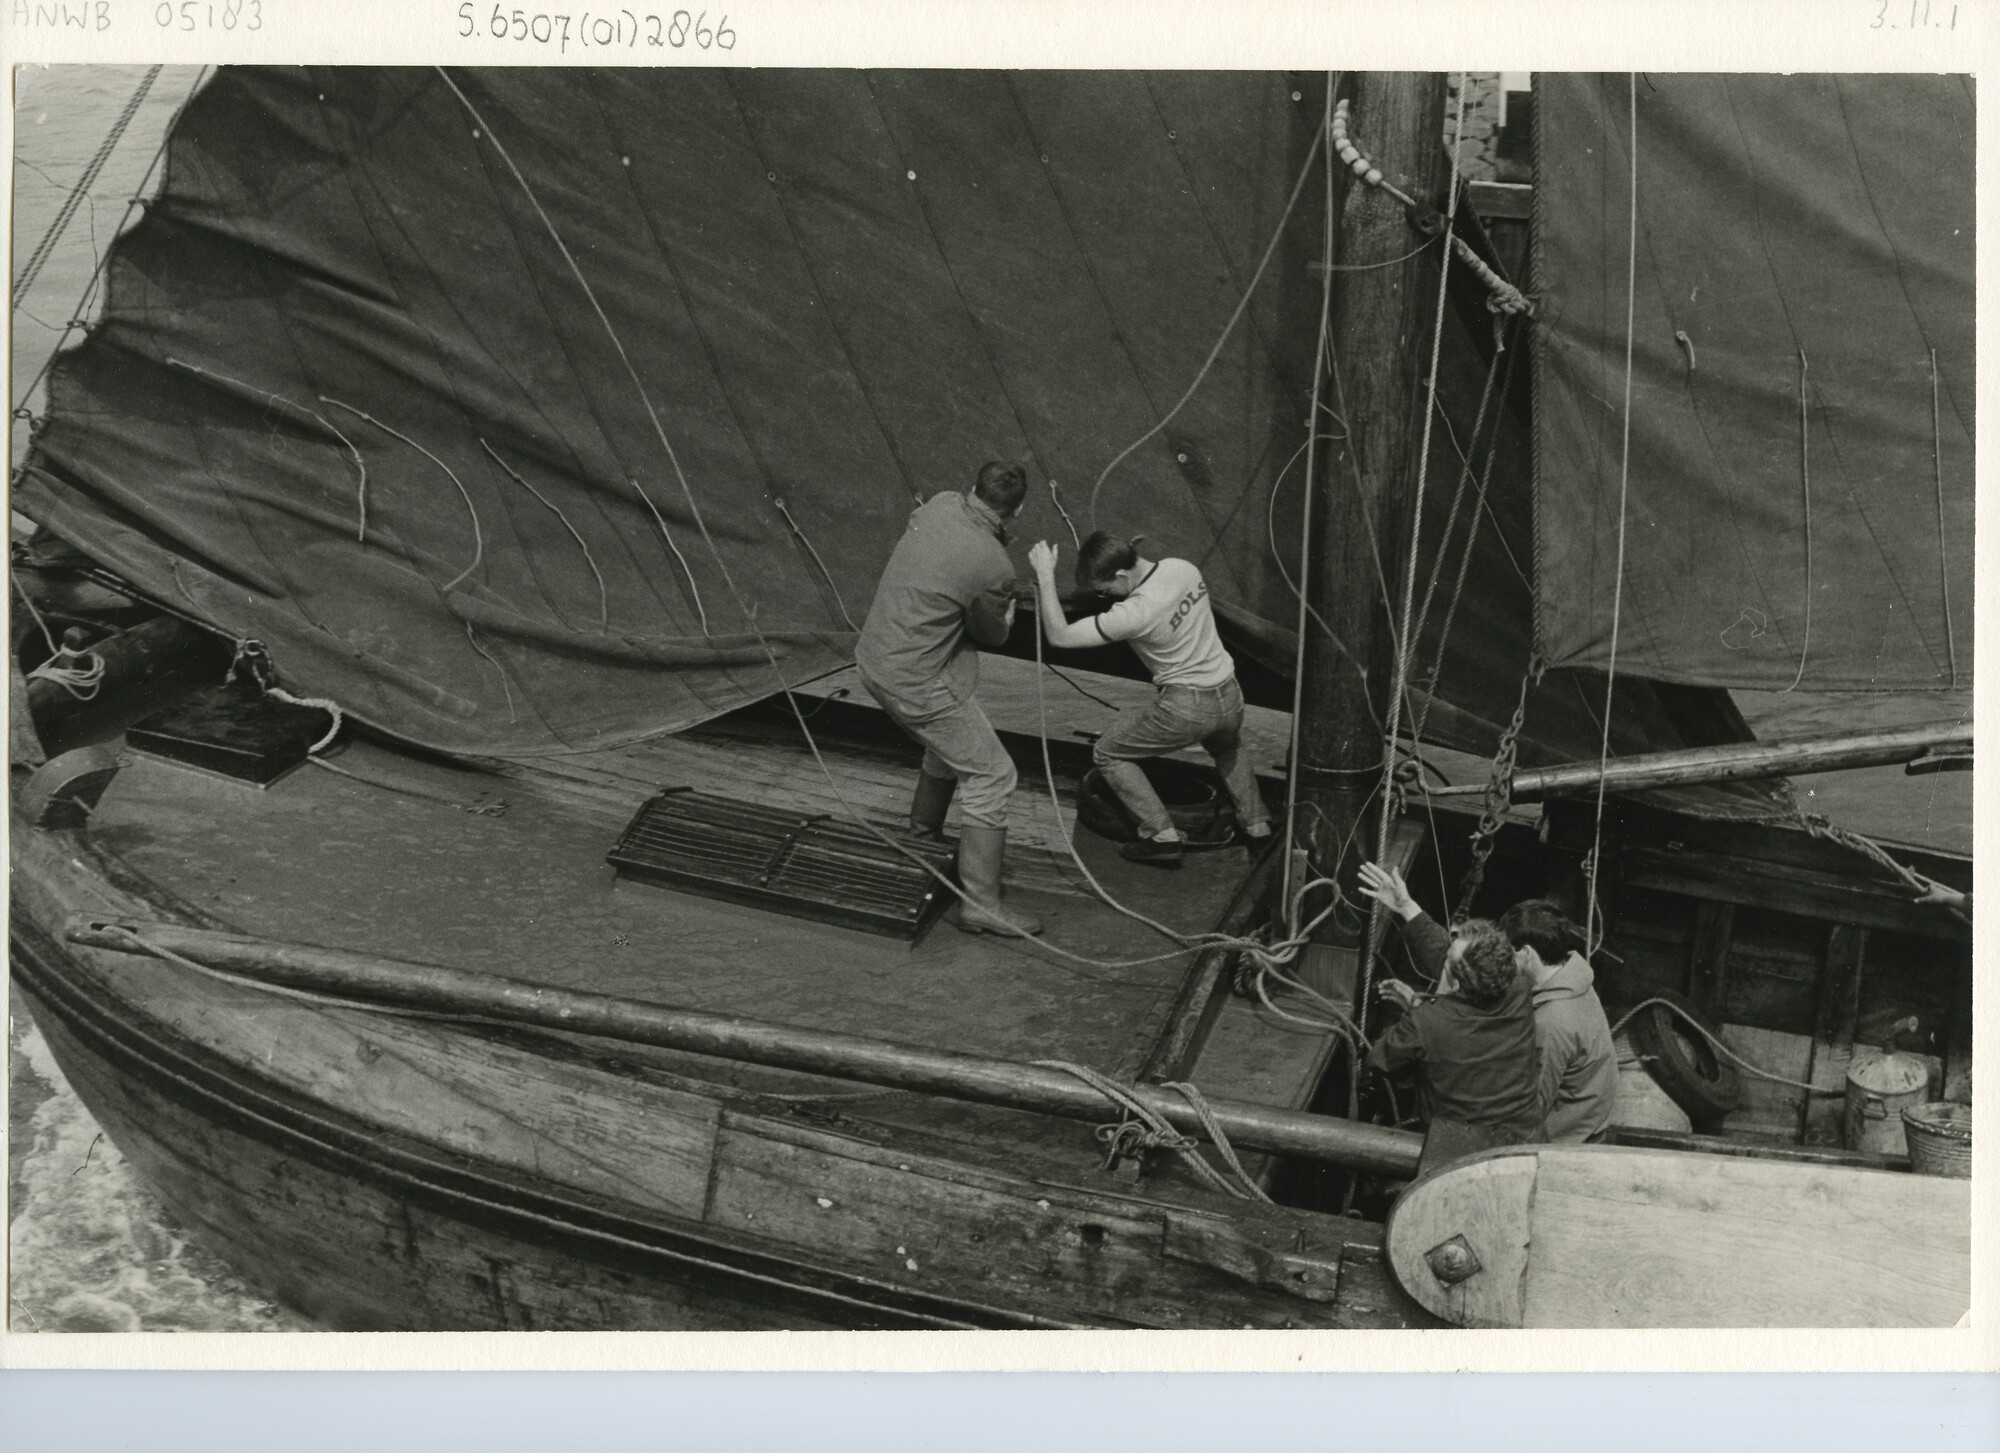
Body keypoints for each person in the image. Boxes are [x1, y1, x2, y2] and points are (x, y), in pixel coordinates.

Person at [854, 461, 1040, 937]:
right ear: (1017, 508)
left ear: (970, 487)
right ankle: (981, 904)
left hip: (875, 657)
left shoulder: (939, 504)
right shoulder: (995, 565)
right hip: (913, 678)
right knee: (993, 775)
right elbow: (990, 634)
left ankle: (922, 838)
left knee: (954, 732)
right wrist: (1006, 610)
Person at [1025, 531, 1272, 866]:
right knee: (1228, 747)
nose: (1105, 597)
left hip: (1186, 706)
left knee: (1108, 753)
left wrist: (1044, 575)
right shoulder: (1184, 569)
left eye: (1104, 590)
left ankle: (1161, 835)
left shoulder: (1134, 613)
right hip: (1230, 694)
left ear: (1122, 576)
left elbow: (1059, 636)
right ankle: (1258, 827)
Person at [1355, 863, 1545, 1147]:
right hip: (1525, 1143)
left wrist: (1419, 1011)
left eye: (1448, 958)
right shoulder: (1517, 987)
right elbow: (1459, 965)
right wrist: (1407, 908)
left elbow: (1381, 1059)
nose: (1446, 948)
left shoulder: (1426, 1022)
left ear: (1454, 984)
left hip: (1462, 1151)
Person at [1496, 898, 1619, 1143]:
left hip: (1567, 1138)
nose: (1503, 960)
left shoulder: (1551, 1023)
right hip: (1587, 1115)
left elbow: (1531, 1112)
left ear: (1528, 953)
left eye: (1507, 952)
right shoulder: (1574, 976)